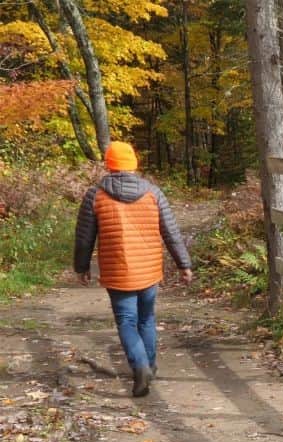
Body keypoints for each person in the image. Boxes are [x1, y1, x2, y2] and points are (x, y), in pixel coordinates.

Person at [74, 141, 194, 398]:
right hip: (149, 269)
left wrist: (81, 267)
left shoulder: (95, 195)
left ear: (109, 165)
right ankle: (149, 365)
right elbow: (171, 232)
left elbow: (84, 238)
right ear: (133, 164)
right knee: (146, 318)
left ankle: (140, 366)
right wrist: (184, 264)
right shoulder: (153, 193)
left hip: (117, 270)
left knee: (127, 321)